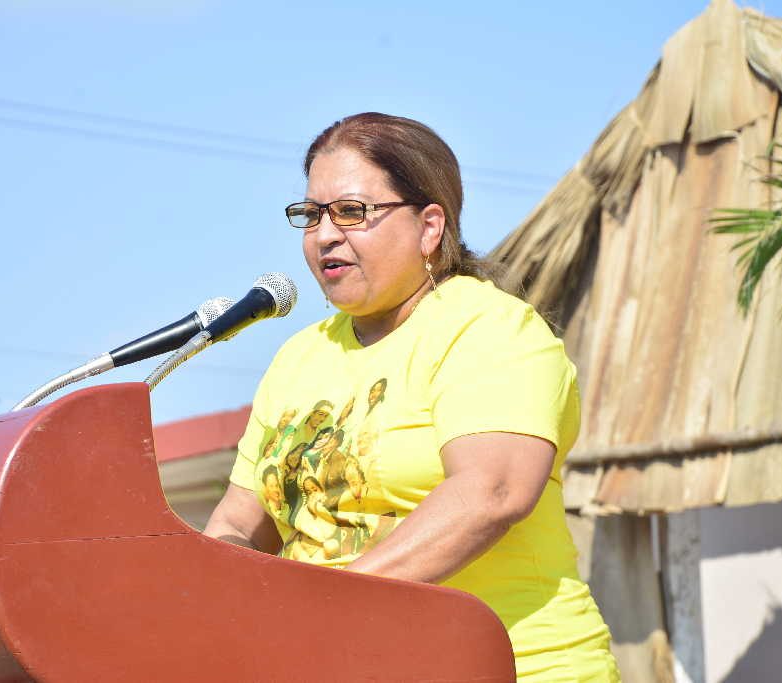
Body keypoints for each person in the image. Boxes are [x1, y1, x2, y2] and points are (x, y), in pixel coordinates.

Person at [205, 112, 619, 681]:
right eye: (311, 215)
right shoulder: (299, 358)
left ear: (430, 226)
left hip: (511, 667)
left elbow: (491, 491)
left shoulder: (488, 328)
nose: (326, 233)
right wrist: (215, 586)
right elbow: (240, 517)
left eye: (353, 212)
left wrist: (321, 610)